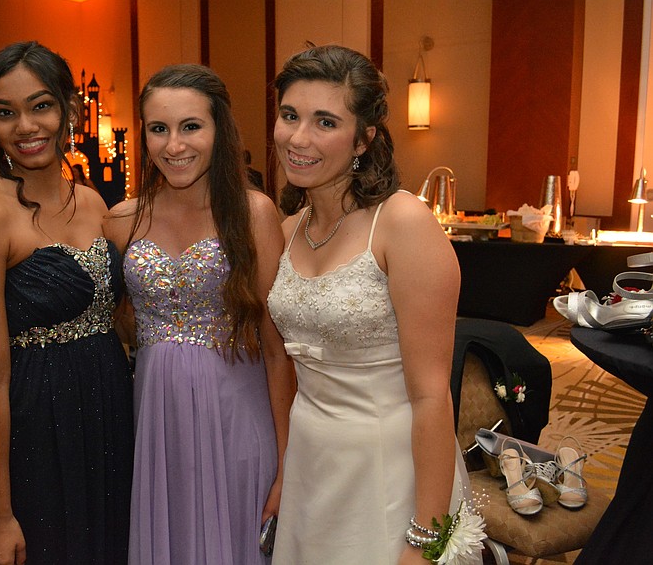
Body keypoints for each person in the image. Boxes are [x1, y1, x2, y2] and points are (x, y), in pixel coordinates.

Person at [266, 45, 481, 564]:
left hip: (386, 468)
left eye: (325, 122)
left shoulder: (401, 223)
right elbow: (284, 365)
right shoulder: (287, 229)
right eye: (290, 116)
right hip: (311, 466)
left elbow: (432, 396)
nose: (298, 138)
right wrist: (282, 469)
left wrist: (426, 539)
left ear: (364, 138)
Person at [0, 41, 133, 565]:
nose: (25, 126)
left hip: (109, 406)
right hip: (37, 420)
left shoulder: (93, 201)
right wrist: (0, 514)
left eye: (40, 106)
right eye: (5, 113)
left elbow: (121, 314)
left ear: (68, 110)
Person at [103, 64, 294, 565]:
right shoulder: (123, 220)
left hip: (236, 417)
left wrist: (287, 463)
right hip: (157, 424)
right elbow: (116, 321)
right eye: (158, 129)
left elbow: (278, 352)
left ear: (218, 130)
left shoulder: (254, 214)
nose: (174, 145)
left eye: (191, 126)